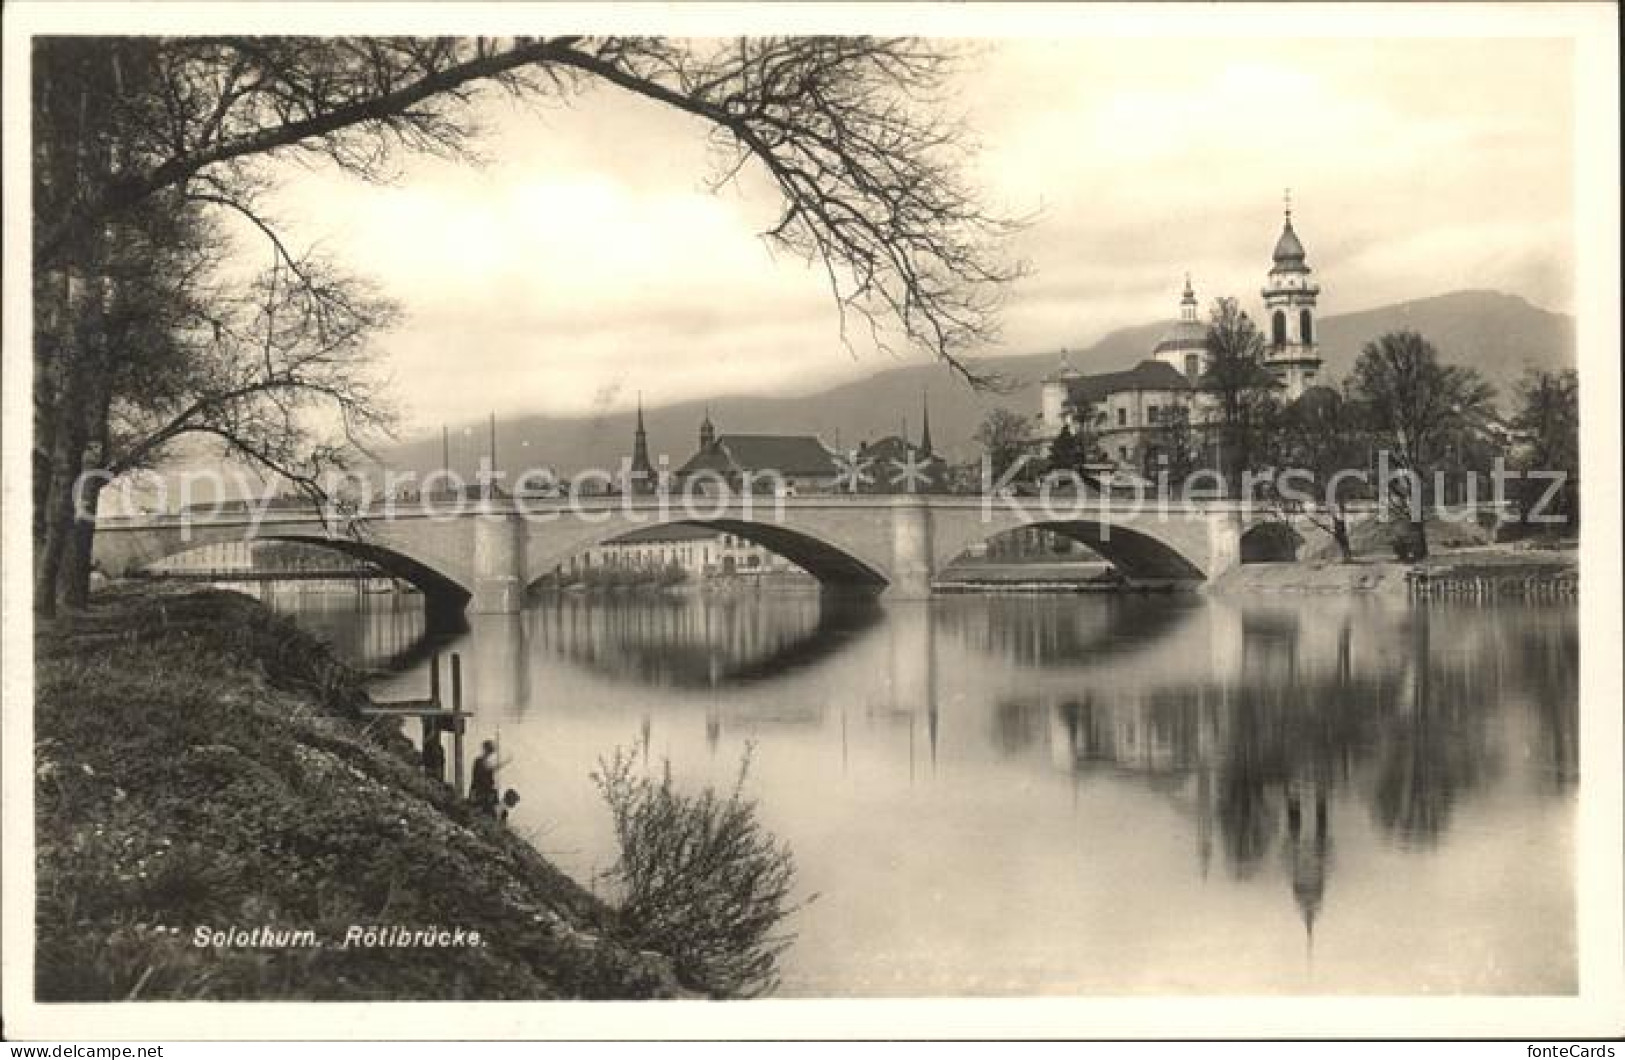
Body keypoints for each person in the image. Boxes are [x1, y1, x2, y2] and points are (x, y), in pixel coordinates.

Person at [469, 739, 501, 816]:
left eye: (491, 752)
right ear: (485, 750)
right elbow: (478, 777)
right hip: (479, 791)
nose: (490, 754)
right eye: (489, 751)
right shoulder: (479, 761)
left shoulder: (485, 762)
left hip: (484, 791)